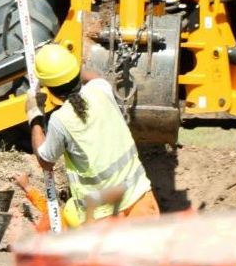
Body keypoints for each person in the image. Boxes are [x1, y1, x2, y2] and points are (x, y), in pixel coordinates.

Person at [24, 43, 160, 228]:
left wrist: (35, 115)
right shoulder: (101, 88)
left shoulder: (60, 120)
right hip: (139, 198)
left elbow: (45, 161)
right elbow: (92, 77)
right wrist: (71, 67)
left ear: (50, 88)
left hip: (102, 216)